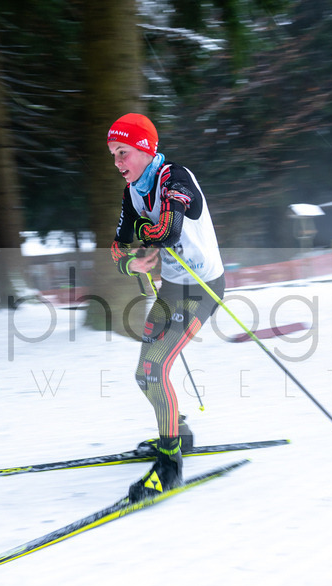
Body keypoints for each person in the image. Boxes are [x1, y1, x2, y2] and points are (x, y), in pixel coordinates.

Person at [106, 113, 226, 502]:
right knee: (144, 375)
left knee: (154, 370)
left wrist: (144, 243)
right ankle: (179, 432)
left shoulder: (175, 179)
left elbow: (167, 232)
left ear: (145, 149)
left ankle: (170, 467)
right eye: (113, 154)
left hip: (202, 288)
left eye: (123, 152)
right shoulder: (133, 192)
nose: (117, 162)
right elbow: (117, 249)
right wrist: (133, 262)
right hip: (172, 289)